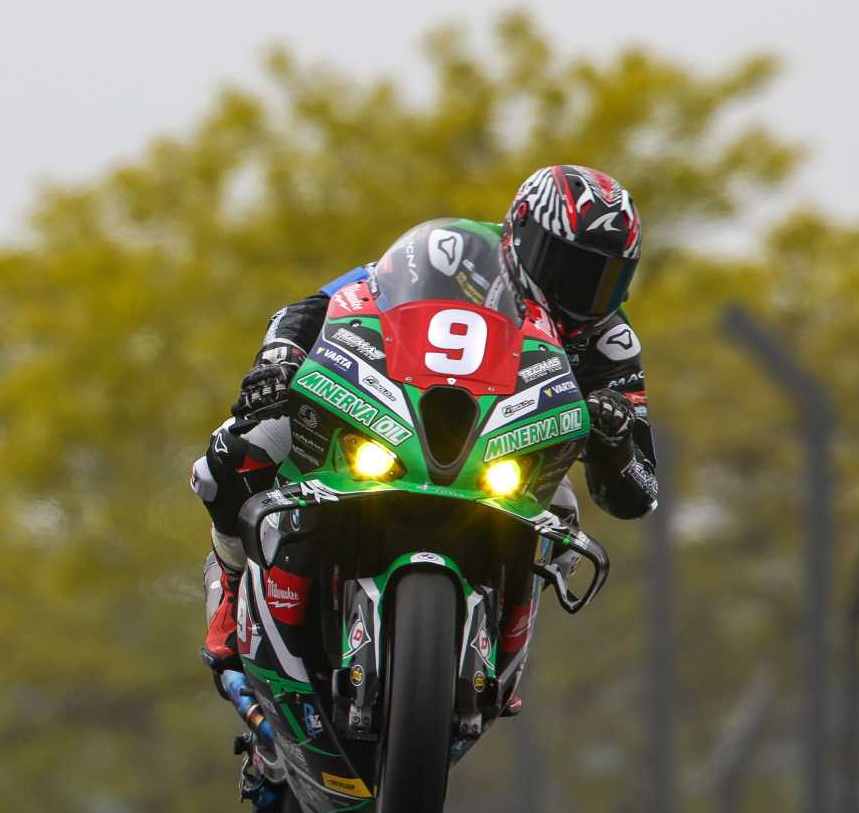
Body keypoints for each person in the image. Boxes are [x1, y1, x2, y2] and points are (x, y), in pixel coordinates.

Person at [191, 164, 659, 675]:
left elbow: (640, 492)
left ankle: (498, 648)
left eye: (606, 278)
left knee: (562, 517)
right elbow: (319, 305)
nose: (585, 293)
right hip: (397, 413)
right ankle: (232, 588)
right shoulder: (452, 251)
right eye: (569, 267)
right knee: (236, 453)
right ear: (522, 234)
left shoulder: (612, 342)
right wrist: (278, 360)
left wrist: (615, 441)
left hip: (503, 454)